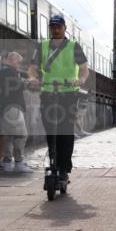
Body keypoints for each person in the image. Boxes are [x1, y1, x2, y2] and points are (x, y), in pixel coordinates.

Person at [27, 14, 89, 189]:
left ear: (64, 28)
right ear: (50, 28)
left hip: (68, 94)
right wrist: (32, 78)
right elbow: (32, 69)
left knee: (65, 132)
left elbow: (84, 70)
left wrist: (81, 80)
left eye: (58, 27)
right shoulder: (42, 47)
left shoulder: (74, 47)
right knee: (50, 130)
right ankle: (53, 159)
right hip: (47, 92)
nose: (55, 30)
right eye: (52, 27)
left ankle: (63, 169)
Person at [0, 51, 32, 173]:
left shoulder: (4, 72)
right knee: (20, 135)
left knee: (9, 136)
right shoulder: (8, 71)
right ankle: (18, 162)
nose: (19, 65)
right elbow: (17, 85)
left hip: (6, 108)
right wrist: (28, 82)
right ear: (11, 60)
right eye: (18, 62)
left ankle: (7, 162)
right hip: (12, 108)